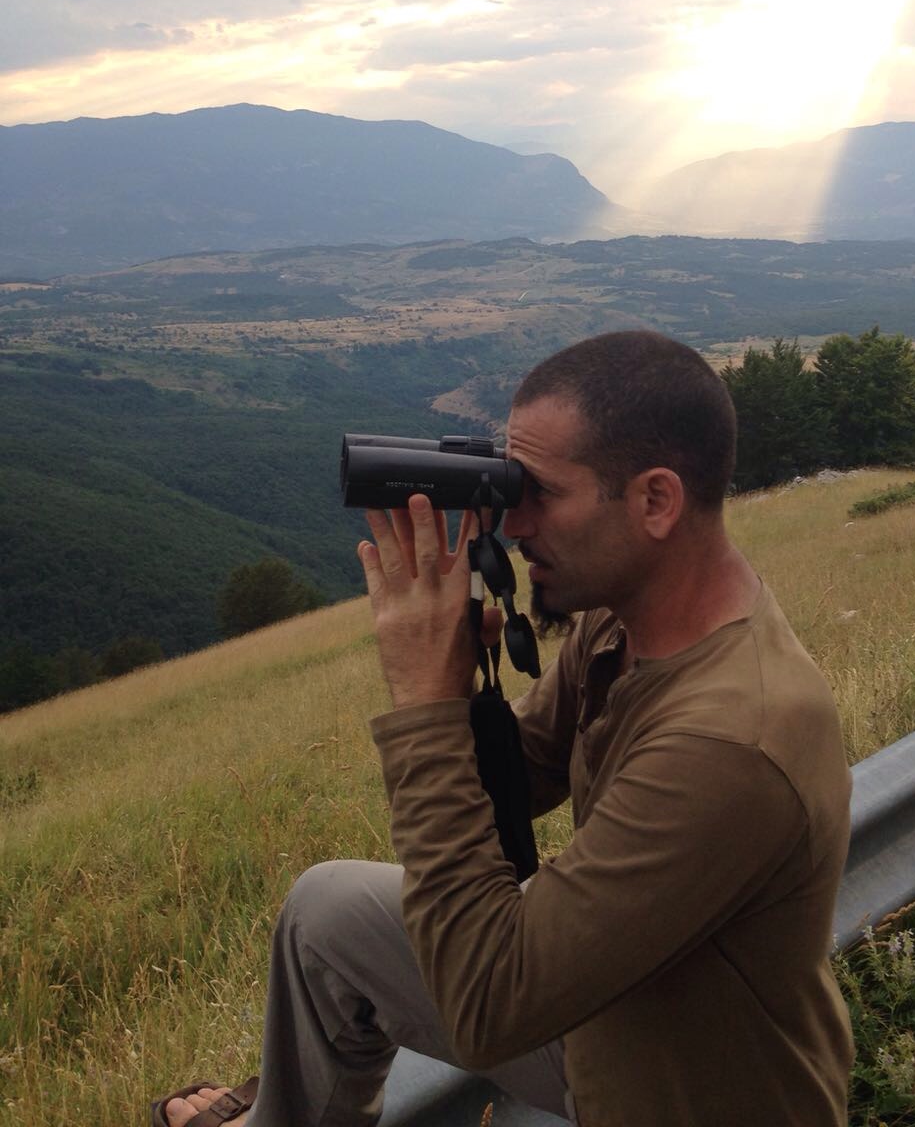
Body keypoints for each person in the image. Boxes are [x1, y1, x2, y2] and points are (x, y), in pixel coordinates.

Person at [152, 330, 853, 1127]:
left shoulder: (731, 740)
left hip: (680, 1090)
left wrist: (421, 708)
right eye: (507, 482)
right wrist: (457, 695)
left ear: (656, 500)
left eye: (540, 493)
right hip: (609, 1018)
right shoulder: (623, 625)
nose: (513, 525)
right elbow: (519, 782)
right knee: (327, 915)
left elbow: (490, 1004)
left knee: (456, 968)